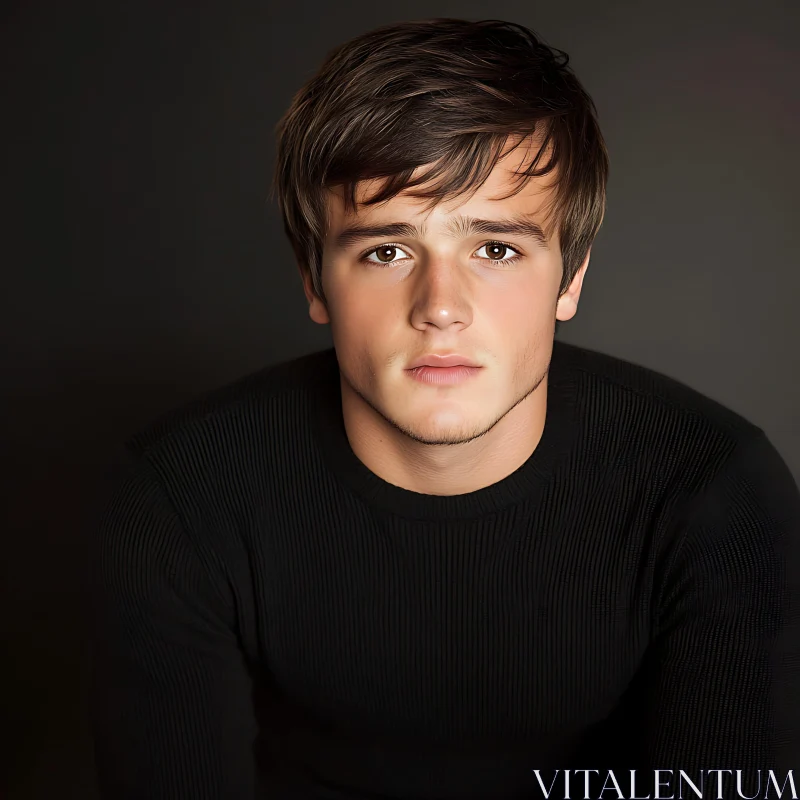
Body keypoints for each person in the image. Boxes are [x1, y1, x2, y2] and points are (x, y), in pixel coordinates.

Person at [88, 17, 800, 800]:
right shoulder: (181, 496)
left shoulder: (715, 492)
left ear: (570, 278)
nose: (441, 307)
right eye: (386, 250)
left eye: (495, 249)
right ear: (315, 279)